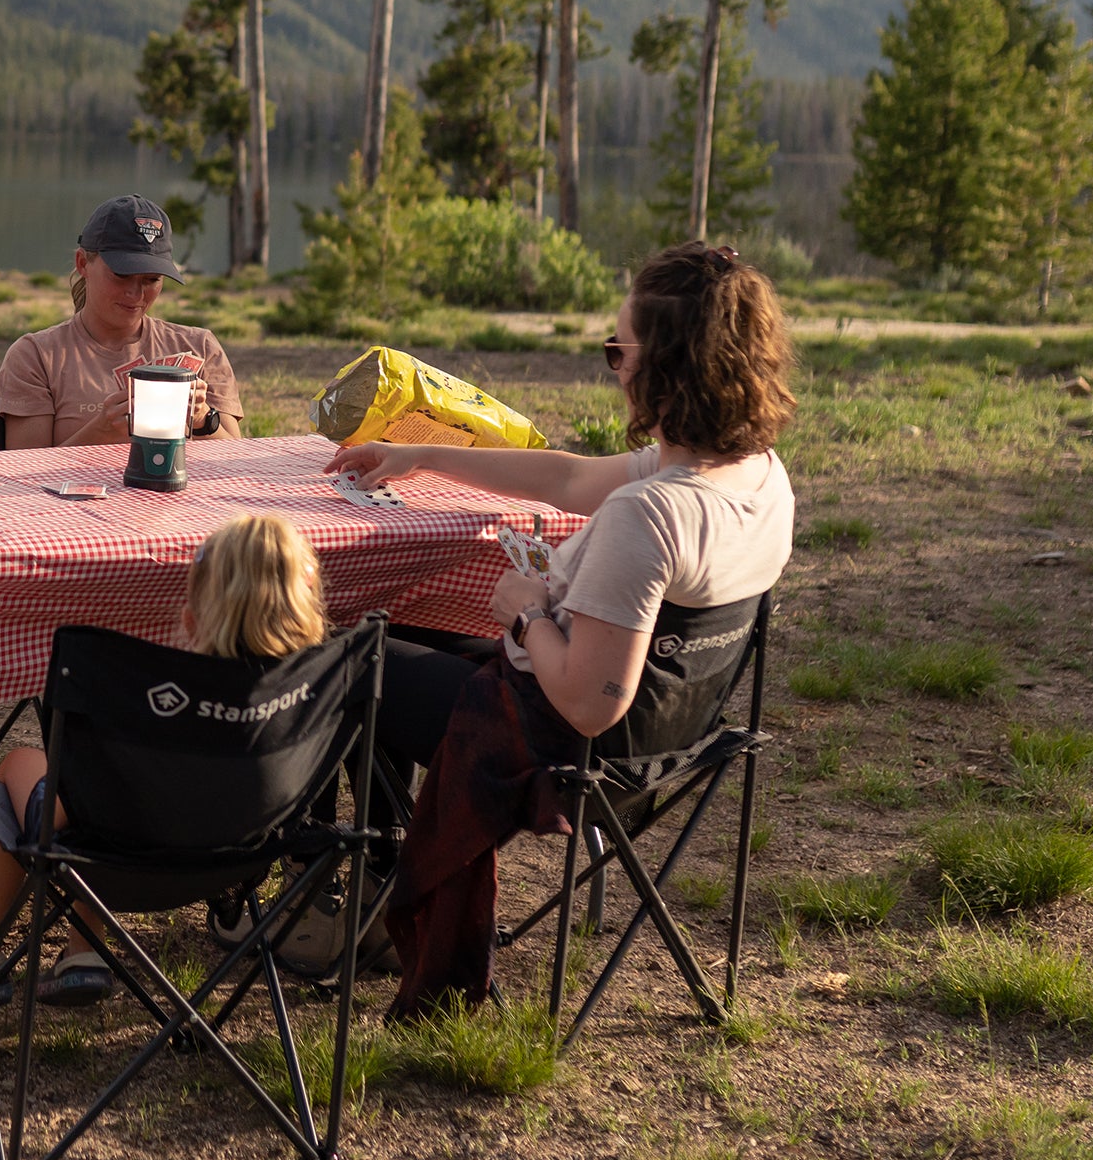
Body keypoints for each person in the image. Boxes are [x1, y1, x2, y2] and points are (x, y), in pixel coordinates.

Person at [327, 241, 797, 1013]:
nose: (613, 365)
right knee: (395, 633)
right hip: (674, 734)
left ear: (667, 366)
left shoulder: (652, 515)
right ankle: (382, 889)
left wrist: (527, 610)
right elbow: (571, 476)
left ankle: (370, 898)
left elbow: (589, 700)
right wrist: (420, 453)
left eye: (620, 349)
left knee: (346, 660)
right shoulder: (755, 474)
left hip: (567, 748)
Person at [0, 512, 330, 1011]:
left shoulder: (153, 699)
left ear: (190, 618)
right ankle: (81, 954)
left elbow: (75, 802)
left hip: (108, 860)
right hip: (234, 857)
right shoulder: (310, 697)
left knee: (22, 767)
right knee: (97, 797)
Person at [0, 195, 242, 449]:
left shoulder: (200, 347)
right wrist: (101, 432)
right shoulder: (36, 356)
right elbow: (23, 474)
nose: (136, 294)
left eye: (152, 279)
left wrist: (203, 420)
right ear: (83, 264)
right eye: (122, 275)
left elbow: (237, 460)